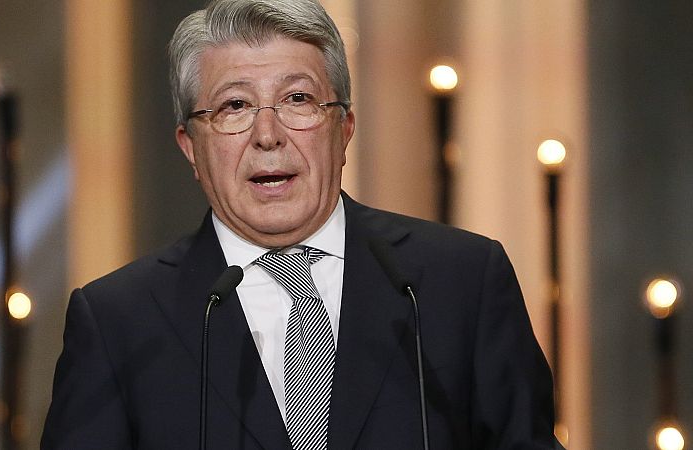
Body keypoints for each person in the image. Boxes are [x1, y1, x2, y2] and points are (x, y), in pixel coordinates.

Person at [42, 0, 558, 448]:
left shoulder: (461, 281)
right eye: (235, 106)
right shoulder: (118, 321)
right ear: (190, 147)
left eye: (298, 99)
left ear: (344, 127)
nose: (268, 135)